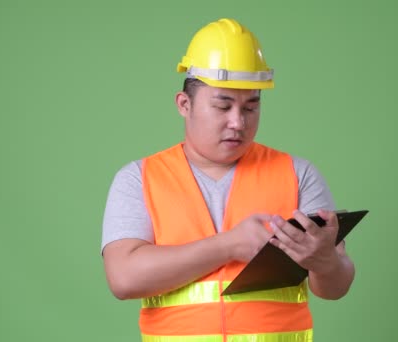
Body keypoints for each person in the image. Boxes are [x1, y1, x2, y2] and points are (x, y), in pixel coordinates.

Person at [101, 18, 355, 341]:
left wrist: (326, 261)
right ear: (185, 104)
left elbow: (335, 287)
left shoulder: (297, 174)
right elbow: (123, 278)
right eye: (223, 106)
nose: (238, 122)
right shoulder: (139, 179)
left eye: (251, 106)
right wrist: (228, 245)